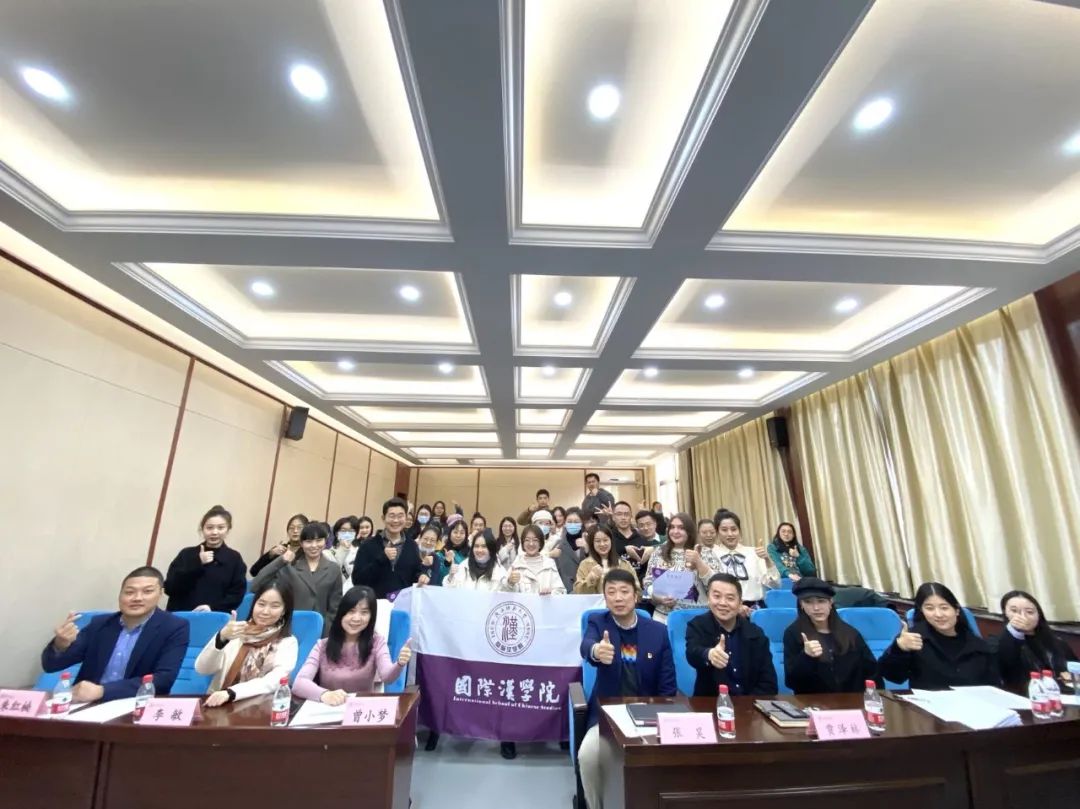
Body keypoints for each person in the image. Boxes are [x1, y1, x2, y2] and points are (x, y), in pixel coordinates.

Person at [578, 568, 676, 809]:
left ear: (636, 596)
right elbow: (587, 645)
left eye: (624, 591)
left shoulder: (657, 631)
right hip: (608, 716)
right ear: (605, 598)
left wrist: (664, 719)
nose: (618, 598)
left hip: (648, 714)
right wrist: (596, 651)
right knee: (588, 755)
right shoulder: (597, 622)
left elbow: (667, 684)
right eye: (611, 592)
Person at [41, 567, 189, 703]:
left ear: (160, 594)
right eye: (129, 592)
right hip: (86, 705)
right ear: (120, 595)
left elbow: (163, 680)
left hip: (137, 705)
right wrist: (60, 644)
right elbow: (51, 666)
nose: (137, 598)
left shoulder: (174, 627)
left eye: (147, 591)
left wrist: (102, 691)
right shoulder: (100, 624)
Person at [293, 586, 412, 703]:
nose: (356, 618)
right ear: (341, 613)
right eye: (351, 611)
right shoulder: (322, 646)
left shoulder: (377, 642)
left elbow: (387, 677)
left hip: (362, 709)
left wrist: (400, 663)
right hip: (330, 708)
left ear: (371, 617)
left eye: (364, 613)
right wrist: (324, 694)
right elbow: (299, 683)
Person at [879, 582, 999, 690]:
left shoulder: (978, 645)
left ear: (956, 610)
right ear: (922, 611)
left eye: (944, 608)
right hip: (926, 706)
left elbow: (992, 685)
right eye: (929, 608)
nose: (938, 614)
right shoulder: (912, 639)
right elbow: (894, 677)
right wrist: (899, 649)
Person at [196, 580, 298, 707]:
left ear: (284, 611)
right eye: (261, 604)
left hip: (261, 708)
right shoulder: (235, 631)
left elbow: (275, 680)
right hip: (219, 704)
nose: (265, 611)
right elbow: (202, 669)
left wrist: (232, 693)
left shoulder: (288, 642)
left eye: (274, 606)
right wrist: (222, 637)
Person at [685, 573, 777, 697]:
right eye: (717, 596)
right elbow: (693, 653)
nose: (723, 603)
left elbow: (768, 683)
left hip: (750, 703)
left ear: (740, 602)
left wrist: (748, 705)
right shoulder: (698, 625)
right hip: (711, 702)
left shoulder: (755, 633)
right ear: (708, 598)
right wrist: (709, 654)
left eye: (730, 598)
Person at [782, 578, 880, 694]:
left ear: (830, 602)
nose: (816, 608)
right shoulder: (793, 634)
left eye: (821, 601)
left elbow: (872, 673)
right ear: (801, 605)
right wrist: (806, 657)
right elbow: (791, 682)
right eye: (808, 602)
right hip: (812, 701)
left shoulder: (850, 633)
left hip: (852, 700)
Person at [250, 522, 342, 636]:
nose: (314, 545)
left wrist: (325, 631)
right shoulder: (290, 566)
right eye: (309, 541)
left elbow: (335, 607)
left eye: (319, 540)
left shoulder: (333, 569)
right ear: (301, 544)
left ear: (325, 542)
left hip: (320, 630)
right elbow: (255, 585)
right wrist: (281, 560)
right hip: (289, 628)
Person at [164, 505, 247, 613]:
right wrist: (197, 563)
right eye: (209, 527)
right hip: (181, 615)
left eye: (220, 528)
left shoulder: (234, 558)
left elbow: (237, 594)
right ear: (202, 529)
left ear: (228, 530)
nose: (214, 532)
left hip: (214, 616)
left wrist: (212, 608)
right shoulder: (187, 554)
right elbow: (170, 587)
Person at [992, 590, 1076, 694]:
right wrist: (1015, 632)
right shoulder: (998, 644)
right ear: (1005, 614)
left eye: (1029, 612)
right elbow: (1008, 673)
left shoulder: (1058, 642)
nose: (1022, 616)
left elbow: (1075, 669)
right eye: (1014, 611)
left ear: (1039, 614)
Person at [352, 497, 423, 599]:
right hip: (375, 603)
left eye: (400, 516)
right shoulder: (367, 545)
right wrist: (382, 559)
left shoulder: (412, 546)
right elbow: (357, 580)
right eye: (391, 516)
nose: (396, 520)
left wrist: (422, 575)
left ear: (406, 518)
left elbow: (416, 574)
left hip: (403, 603)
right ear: (383, 518)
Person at [713, 510, 778, 608]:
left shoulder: (754, 552)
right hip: (725, 608)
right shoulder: (712, 555)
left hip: (755, 608)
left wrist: (767, 560)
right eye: (724, 530)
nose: (730, 534)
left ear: (739, 531)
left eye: (734, 529)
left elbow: (775, 585)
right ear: (717, 533)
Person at [642, 513, 700, 624]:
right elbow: (647, 582)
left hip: (694, 618)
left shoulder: (703, 552)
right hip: (663, 618)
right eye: (672, 527)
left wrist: (699, 564)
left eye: (681, 528)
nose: (675, 531)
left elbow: (713, 583)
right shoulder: (659, 551)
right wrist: (658, 597)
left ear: (690, 530)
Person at [574, 524, 635, 594]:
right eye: (598, 541)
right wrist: (591, 578)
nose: (602, 544)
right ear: (592, 543)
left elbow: (636, 590)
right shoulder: (585, 564)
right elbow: (578, 592)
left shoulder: (623, 564)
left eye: (605, 540)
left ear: (611, 541)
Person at [507, 525, 566, 594]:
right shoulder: (516, 565)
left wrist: (550, 594)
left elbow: (561, 591)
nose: (531, 544)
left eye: (535, 540)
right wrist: (510, 583)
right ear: (523, 543)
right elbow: (504, 593)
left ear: (540, 543)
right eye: (527, 540)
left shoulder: (549, 564)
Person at [534, 508, 580, 592]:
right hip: (564, 589)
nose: (573, 525)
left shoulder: (590, 542)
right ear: (565, 523)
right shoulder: (558, 544)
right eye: (569, 522)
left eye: (576, 522)